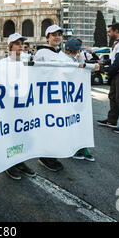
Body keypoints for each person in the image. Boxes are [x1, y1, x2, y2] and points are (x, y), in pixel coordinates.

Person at [1, 33, 38, 180]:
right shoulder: (3, 63)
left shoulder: (27, 61)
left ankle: (20, 162)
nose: (20, 47)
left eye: (22, 44)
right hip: (9, 105)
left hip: (24, 104)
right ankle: (10, 164)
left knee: (23, 134)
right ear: (10, 46)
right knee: (10, 135)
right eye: (17, 44)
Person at [32, 25, 67, 172]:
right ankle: (46, 156)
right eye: (53, 35)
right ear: (47, 37)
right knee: (47, 126)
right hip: (45, 96)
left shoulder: (62, 54)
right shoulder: (41, 53)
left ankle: (51, 154)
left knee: (55, 126)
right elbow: (35, 73)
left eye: (59, 34)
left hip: (58, 96)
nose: (57, 37)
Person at [63, 39, 100, 161]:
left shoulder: (78, 58)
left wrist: (81, 60)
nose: (76, 52)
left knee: (81, 121)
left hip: (78, 95)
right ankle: (74, 147)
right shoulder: (64, 59)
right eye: (75, 50)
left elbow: (85, 68)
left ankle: (82, 147)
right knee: (72, 122)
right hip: (68, 96)